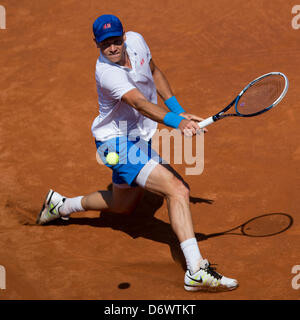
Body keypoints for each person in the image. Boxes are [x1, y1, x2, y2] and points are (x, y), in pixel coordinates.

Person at [36, 14, 238, 292]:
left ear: (124, 36)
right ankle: (195, 270)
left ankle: (60, 205)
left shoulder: (138, 41)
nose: (113, 47)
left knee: (123, 205)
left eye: (116, 40)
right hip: (114, 144)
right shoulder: (107, 72)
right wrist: (178, 123)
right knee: (178, 190)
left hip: (137, 139)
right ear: (96, 43)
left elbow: (154, 71)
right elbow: (140, 104)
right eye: (105, 43)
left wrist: (178, 109)